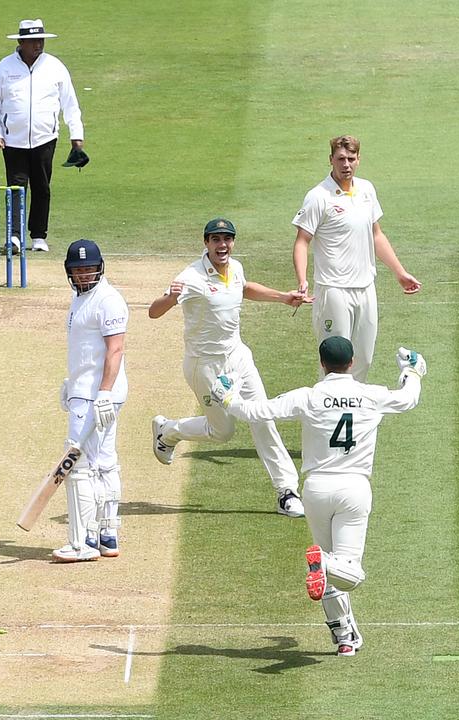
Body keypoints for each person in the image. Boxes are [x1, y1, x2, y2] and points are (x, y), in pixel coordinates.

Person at [210, 337, 427, 657]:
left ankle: (345, 638)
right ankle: (323, 563)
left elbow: (257, 411)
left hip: (315, 490)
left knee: (336, 569)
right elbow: (408, 399)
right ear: (352, 363)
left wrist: (227, 398)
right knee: (348, 570)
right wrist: (412, 371)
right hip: (354, 489)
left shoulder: (307, 397)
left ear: (322, 363)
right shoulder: (371, 395)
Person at [147, 218, 309, 518]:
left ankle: (286, 491)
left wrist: (283, 297)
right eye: (216, 240)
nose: (223, 245)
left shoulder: (235, 268)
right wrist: (169, 298)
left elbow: (245, 289)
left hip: (237, 357)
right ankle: (168, 431)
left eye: (227, 239)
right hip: (204, 365)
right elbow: (153, 312)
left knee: (263, 416)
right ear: (206, 243)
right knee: (222, 432)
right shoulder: (192, 277)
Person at [292, 135, 421, 382]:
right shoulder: (319, 196)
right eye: (341, 159)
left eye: (351, 159)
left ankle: (354, 417)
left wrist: (400, 272)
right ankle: (328, 418)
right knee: (335, 364)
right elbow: (301, 241)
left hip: (365, 288)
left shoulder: (367, 190)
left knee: (363, 360)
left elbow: (376, 234)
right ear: (331, 160)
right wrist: (302, 280)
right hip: (333, 290)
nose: (346, 164)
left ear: (359, 160)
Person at [0, 19, 88, 254]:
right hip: (13, 140)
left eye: (40, 40)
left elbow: (70, 104)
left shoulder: (55, 67)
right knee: (16, 188)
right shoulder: (5, 68)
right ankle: (15, 236)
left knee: (42, 187)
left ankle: (39, 236)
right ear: (21, 42)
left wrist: (76, 135)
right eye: (32, 41)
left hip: (45, 138)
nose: (38, 45)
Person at [53, 239, 127, 562]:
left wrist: (104, 393)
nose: (84, 275)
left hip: (96, 396)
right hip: (86, 391)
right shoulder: (79, 297)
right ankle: (105, 534)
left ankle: (81, 542)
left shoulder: (108, 300)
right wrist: (71, 384)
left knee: (78, 465)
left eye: (89, 269)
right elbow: (86, 350)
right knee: (104, 461)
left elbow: (115, 349)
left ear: (100, 268)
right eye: (78, 270)